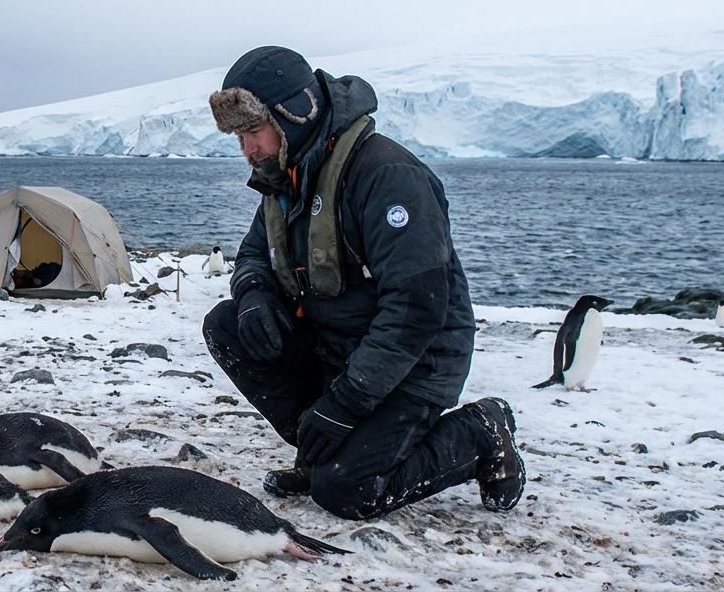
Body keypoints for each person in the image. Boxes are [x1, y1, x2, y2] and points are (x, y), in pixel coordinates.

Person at [200, 46, 524, 520]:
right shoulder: (289, 174)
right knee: (229, 326)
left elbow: (416, 310)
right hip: (339, 348)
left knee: (348, 490)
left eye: (253, 132)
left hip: (416, 362)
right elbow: (254, 253)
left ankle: (479, 432)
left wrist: (346, 403)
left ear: (293, 115)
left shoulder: (385, 175)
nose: (248, 150)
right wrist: (253, 294)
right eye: (240, 137)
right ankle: (322, 451)